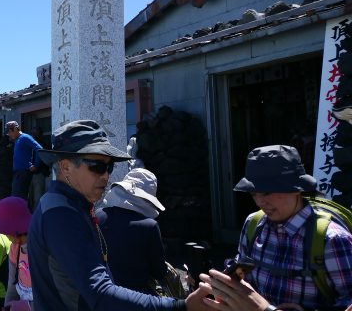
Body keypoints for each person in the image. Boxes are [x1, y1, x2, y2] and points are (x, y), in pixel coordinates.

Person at [28, 120, 208, 310]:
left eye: (109, 167)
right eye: (97, 166)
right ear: (65, 167)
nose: (106, 175)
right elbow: (100, 294)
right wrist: (181, 306)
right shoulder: (61, 214)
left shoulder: (69, 205)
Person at [231, 145, 352, 309]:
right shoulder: (253, 224)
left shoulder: (331, 239)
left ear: (297, 189)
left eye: (267, 192)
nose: (260, 202)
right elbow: (242, 273)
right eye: (254, 194)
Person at [95, 167, 168, 294]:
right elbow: (159, 272)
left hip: (101, 292)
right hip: (137, 297)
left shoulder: (98, 215)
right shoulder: (149, 226)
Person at [0, 196, 33, 311]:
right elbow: (12, 285)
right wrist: (8, 306)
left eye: (4, 231)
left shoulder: (40, 250)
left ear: (12, 229)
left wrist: (29, 306)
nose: (4, 235)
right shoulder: (14, 249)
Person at [6, 121, 42, 205]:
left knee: (18, 199)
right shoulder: (17, 140)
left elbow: (39, 149)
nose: (9, 135)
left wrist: (35, 165)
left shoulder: (25, 137)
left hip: (23, 173)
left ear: (15, 129)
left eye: (10, 132)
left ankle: (21, 217)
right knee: (17, 198)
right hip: (17, 173)